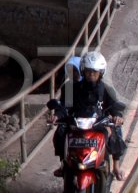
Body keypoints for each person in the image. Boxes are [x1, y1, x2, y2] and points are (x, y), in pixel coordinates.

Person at [49, 51, 127, 180]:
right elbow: (64, 106)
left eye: (94, 72)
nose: (91, 75)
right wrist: (57, 115)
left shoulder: (107, 89)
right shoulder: (70, 88)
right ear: (83, 70)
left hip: (98, 123)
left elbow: (114, 106)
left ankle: (116, 167)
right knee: (60, 132)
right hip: (76, 123)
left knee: (116, 131)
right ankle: (63, 163)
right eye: (88, 71)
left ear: (101, 73)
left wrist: (117, 116)